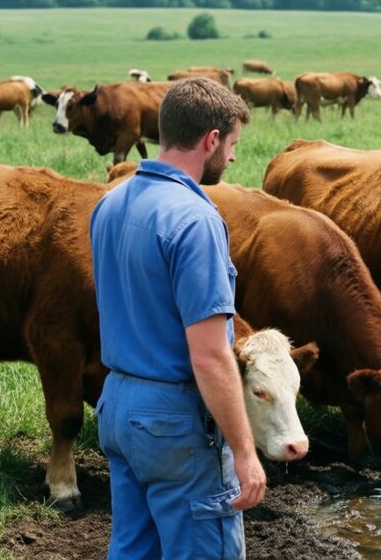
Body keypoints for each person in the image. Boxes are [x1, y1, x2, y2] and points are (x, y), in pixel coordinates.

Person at [90, 77, 263, 559]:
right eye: (231, 145)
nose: (231, 157)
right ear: (210, 139)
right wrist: (245, 454)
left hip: (118, 404)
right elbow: (209, 356)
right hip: (173, 420)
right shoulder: (195, 219)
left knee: (132, 549)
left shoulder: (109, 203)